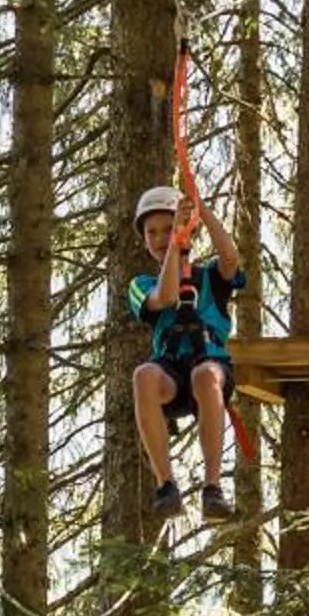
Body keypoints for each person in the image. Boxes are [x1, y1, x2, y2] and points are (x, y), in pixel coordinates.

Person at [127, 180, 245, 519]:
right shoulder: (141, 285)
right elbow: (164, 297)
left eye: (168, 229)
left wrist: (199, 209)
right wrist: (177, 244)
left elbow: (231, 257)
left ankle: (213, 488)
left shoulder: (210, 278)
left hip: (209, 370)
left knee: (205, 374)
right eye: (153, 233)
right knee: (143, 375)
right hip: (171, 375)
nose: (162, 238)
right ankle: (166, 486)